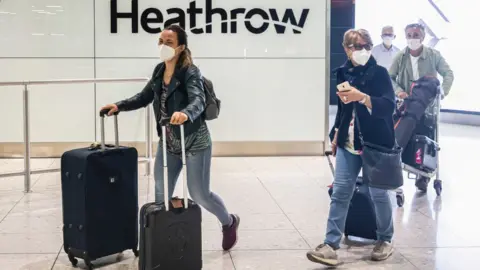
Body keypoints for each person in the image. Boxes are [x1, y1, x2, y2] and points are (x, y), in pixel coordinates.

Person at [100, 24, 240, 251]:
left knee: (200, 194)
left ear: (181, 47)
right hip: (169, 141)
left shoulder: (190, 71)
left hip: (195, 140)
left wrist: (185, 113)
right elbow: (144, 96)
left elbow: (198, 100)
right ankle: (162, 240)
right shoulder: (158, 71)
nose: (163, 46)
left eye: (169, 42)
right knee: (160, 193)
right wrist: (119, 105)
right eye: (161, 41)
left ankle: (229, 222)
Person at [306, 29, 396, 267]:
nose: (364, 50)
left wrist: (363, 97)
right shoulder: (343, 72)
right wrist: (336, 133)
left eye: (367, 46)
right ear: (346, 48)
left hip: (375, 143)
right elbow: (344, 108)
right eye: (357, 47)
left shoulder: (380, 74)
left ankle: (385, 239)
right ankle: (330, 244)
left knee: (378, 193)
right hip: (348, 142)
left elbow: (388, 106)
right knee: (340, 193)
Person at [389, 23, 454, 191]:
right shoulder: (401, 56)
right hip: (406, 104)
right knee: (404, 132)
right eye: (409, 35)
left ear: (423, 37)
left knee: (425, 135)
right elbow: (390, 77)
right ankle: (396, 166)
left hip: (427, 107)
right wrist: (400, 92)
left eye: (416, 35)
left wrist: (442, 93)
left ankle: (422, 174)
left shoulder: (433, 55)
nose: (412, 38)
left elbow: (448, 74)